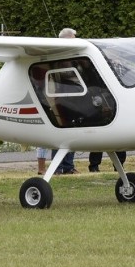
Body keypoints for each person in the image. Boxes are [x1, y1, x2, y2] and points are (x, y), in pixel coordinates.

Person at [54, 27, 79, 174]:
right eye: (74, 38)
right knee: (60, 133)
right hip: (63, 99)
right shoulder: (59, 56)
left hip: (75, 99)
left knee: (73, 132)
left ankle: (68, 166)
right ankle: (58, 168)